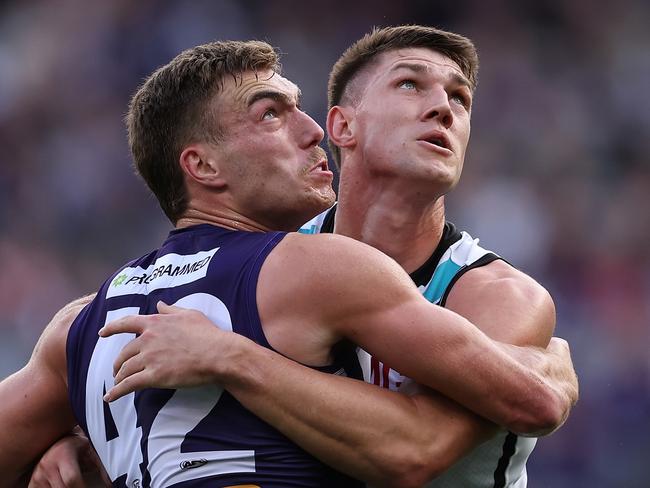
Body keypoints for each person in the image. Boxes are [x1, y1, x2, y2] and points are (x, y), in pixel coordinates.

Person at [11, 37, 576, 487]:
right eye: (411, 84)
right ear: (343, 127)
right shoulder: (302, 269)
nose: (442, 109)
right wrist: (79, 441)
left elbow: (423, 450)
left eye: (461, 99)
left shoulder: (498, 294)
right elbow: (463, 430)